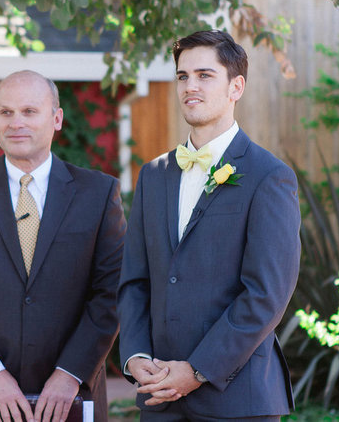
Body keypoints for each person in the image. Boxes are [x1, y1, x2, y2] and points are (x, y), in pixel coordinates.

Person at [117, 30, 301, 421]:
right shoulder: (153, 176)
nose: (190, 86)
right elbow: (135, 281)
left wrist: (197, 369)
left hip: (236, 400)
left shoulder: (269, 177)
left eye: (204, 75)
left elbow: (266, 295)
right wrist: (135, 357)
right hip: (159, 397)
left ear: (236, 87)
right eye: (183, 76)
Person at [0, 70, 126, 422]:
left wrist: (70, 374)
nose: (16, 122)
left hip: (69, 398)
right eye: (6, 112)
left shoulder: (98, 194)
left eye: (29, 111)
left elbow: (111, 292)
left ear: (57, 118)